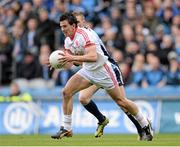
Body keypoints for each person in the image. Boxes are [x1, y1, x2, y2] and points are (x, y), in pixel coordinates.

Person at [51, 12, 153, 141]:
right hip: (88, 71)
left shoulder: (86, 34)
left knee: (122, 101)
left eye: (65, 26)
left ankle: (144, 124)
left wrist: (72, 57)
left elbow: (93, 57)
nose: (62, 29)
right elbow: (75, 63)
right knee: (66, 92)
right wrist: (59, 62)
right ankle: (67, 128)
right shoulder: (67, 41)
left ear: (74, 25)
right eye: (61, 27)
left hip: (104, 70)